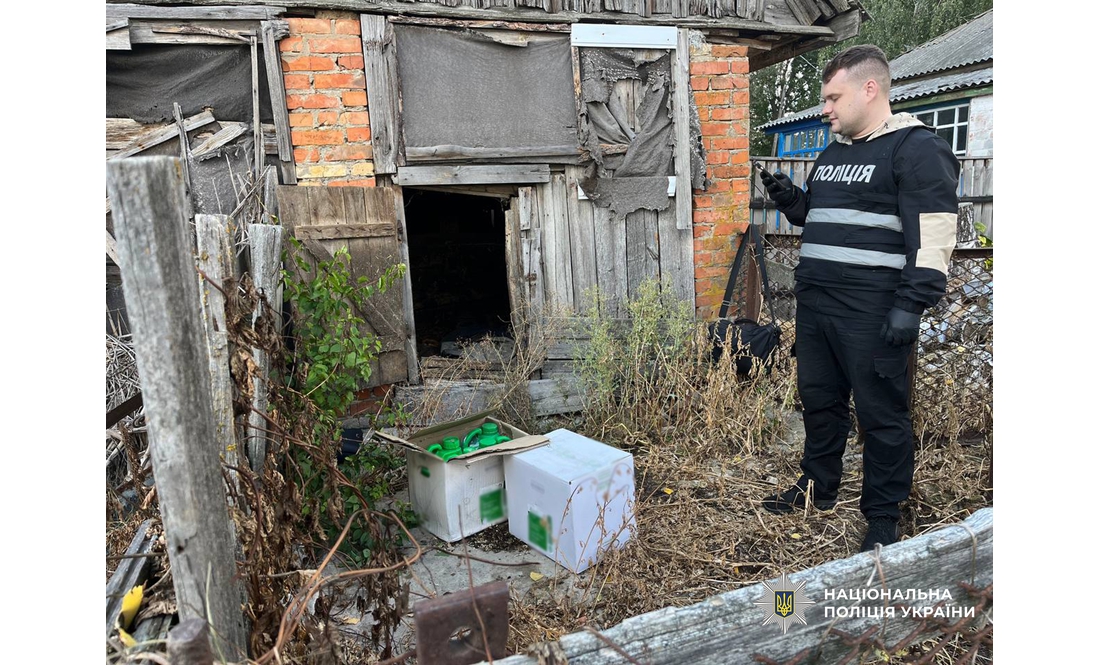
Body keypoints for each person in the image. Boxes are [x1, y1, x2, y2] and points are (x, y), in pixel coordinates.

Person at [757, 45, 959, 552]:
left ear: (870, 90)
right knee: (820, 403)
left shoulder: (915, 149)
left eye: (832, 97)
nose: (825, 108)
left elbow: (934, 237)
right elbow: (818, 217)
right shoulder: (834, 153)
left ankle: (883, 516)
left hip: (872, 313)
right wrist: (790, 199)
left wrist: (911, 306)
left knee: (881, 415)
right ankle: (817, 487)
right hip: (817, 306)